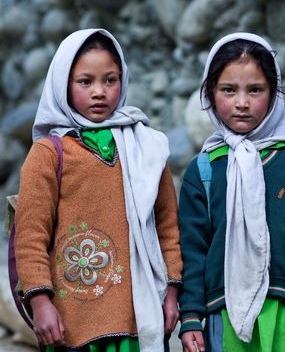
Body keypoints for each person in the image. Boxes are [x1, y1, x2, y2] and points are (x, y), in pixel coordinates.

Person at [14, 29, 182, 352]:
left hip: (138, 316)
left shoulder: (146, 147)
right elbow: (30, 234)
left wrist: (171, 292)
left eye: (110, 80)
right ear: (63, 84)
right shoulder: (50, 153)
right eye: (85, 81)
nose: (99, 92)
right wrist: (40, 302)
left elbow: (167, 225)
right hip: (72, 322)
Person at [177, 32, 285, 352]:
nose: (242, 102)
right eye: (229, 90)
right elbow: (193, 250)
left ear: (274, 93)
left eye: (255, 90)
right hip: (223, 309)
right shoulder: (204, 169)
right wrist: (192, 317)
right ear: (210, 94)